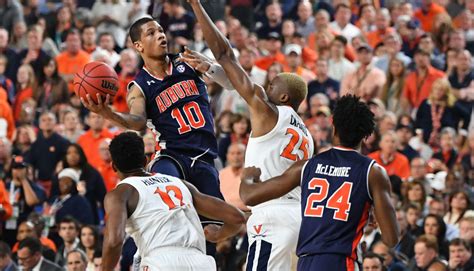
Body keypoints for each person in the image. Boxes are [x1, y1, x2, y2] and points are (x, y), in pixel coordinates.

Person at [187, 1, 314, 270]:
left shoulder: (269, 112)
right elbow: (236, 80)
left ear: (282, 96)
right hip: (300, 219)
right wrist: (210, 68)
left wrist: (196, 6)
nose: (265, 85)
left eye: (272, 83)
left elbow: (225, 53)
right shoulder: (306, 134)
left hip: (272, 216)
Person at [80, 16, 228, 237]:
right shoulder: (139, 87)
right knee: (167, 203)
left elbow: (232, 83)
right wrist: (108, 113)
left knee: (214, 230)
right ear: (138, 45)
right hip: (172, 155)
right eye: (151, 33)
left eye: (160, 30)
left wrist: (209, 67)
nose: (160, 35)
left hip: (205, 156)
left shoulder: (187, 60)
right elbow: (138, 122)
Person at [239, 95, 399, 270]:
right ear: (365, 135)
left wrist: (247, 177)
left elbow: (249, 196)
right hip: (341, 261)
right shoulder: (373, 172)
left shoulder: (306, 166)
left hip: (307, 262)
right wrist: (372, 210)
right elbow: (391, 239)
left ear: (334, 126)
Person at [102, 132, 245, 270]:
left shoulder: (121, 193)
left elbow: (114, 241)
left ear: (114, 166)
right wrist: (218, 235)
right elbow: (237, 217)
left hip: (161, 262)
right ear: (146, 160)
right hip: (200, 262)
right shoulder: (180, 184)